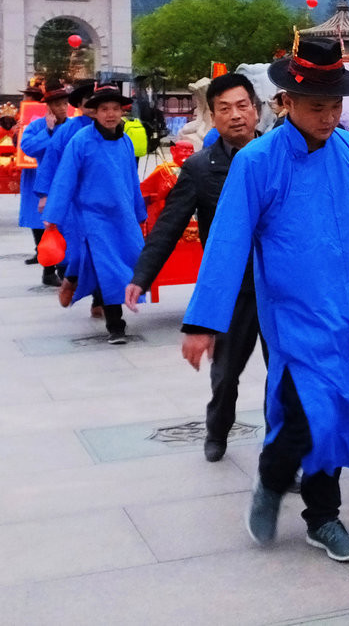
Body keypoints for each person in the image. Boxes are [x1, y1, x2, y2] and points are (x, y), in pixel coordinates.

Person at [181, 36, 349, 564]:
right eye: (317, 107)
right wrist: (203, 321)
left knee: (340, 409)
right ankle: (275, 483)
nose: (328, 117)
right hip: (296, 314)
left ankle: (323, 518)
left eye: (335, 106)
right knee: (306, 414)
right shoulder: (258, 161)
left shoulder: (348, 149)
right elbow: (228, 240)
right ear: (285, 103)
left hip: (347, 313)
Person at [125, 72, 264, 462]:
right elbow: (169, 225)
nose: (235, 116)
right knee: (225, 373)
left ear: (255, 110)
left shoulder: (276, 156)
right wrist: (142, 276)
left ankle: (281, 451)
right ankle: (217, 430)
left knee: (285, 376)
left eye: (242, 106)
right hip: (232, 289)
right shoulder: (202, 168)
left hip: (276, 287)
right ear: (213, 117)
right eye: (224, 109)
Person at [44, 87, 148, 344]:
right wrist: (54, 213)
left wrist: (138, 211)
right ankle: (116, 326)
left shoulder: (125, 140)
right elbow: (65, 177)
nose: (110, 114)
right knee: (109, 267)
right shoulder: (81, 141)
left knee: (124, 260)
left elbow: (131, 179)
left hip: (122, 215)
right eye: (104, 109)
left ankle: (72, 277)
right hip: (94, 216)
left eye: (115, 109)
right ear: (95, 112)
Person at [35, 83, 97, 306]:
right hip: (74, 201)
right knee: (77, 251)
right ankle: (70, 278)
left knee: (104, 252)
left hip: (103, 202)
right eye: (88, 100)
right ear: (79, 105)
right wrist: (45, 194)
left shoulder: (113, 130)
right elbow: (50, 161)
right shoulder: (68, 131)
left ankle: (102, 302)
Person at [19, 81, 70, 286]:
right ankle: (49, 270)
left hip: (66, 182)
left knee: (65, 228)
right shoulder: (37, 125)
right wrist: (48, 132)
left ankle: (64, 269)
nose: (63, 108)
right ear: (49, 107)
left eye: (65, 104)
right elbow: (28, 147)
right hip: (43, 181)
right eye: (58, 105)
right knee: (42, 228)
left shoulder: (72, 125)